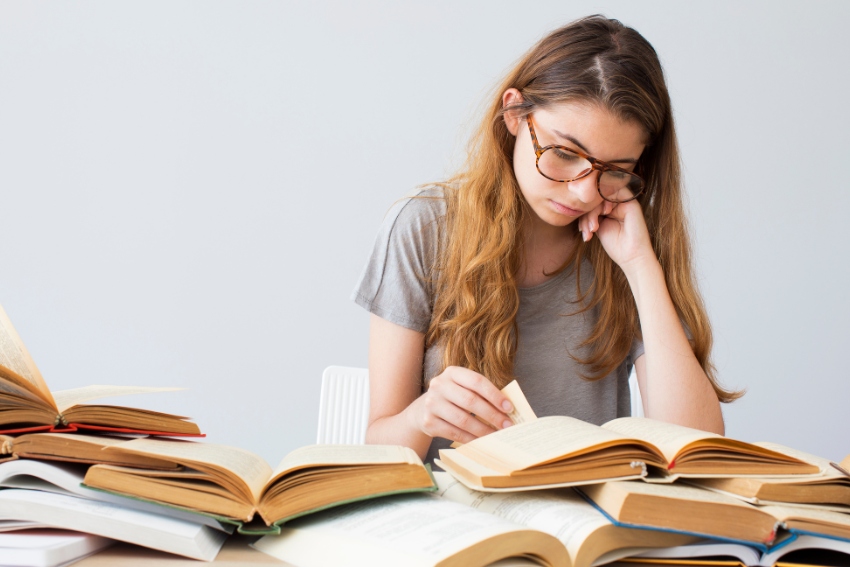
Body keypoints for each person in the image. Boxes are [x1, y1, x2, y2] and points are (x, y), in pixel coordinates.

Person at [351, 15, 742, 463]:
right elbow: (378, 445)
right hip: (453, 521)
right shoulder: (423, 228)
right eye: (563, 154)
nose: (582, 192)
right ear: (515, 113)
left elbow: (696, 446)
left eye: (614, 171)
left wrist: (639, 265)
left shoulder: (629, 244)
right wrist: (422, 416)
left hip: (583, 524)